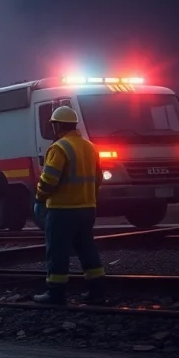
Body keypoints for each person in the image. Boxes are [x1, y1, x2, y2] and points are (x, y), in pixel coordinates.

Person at [33, 105, 106, 304]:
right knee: (86, 248)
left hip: (62, 210)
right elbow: (98, 178)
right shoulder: (90, 147)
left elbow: (49, 180)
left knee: (57, 250)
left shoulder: (59, 148)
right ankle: (97, 291)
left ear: (57, 126)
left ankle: (55, 293)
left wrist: (39, 198)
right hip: (87, 208)